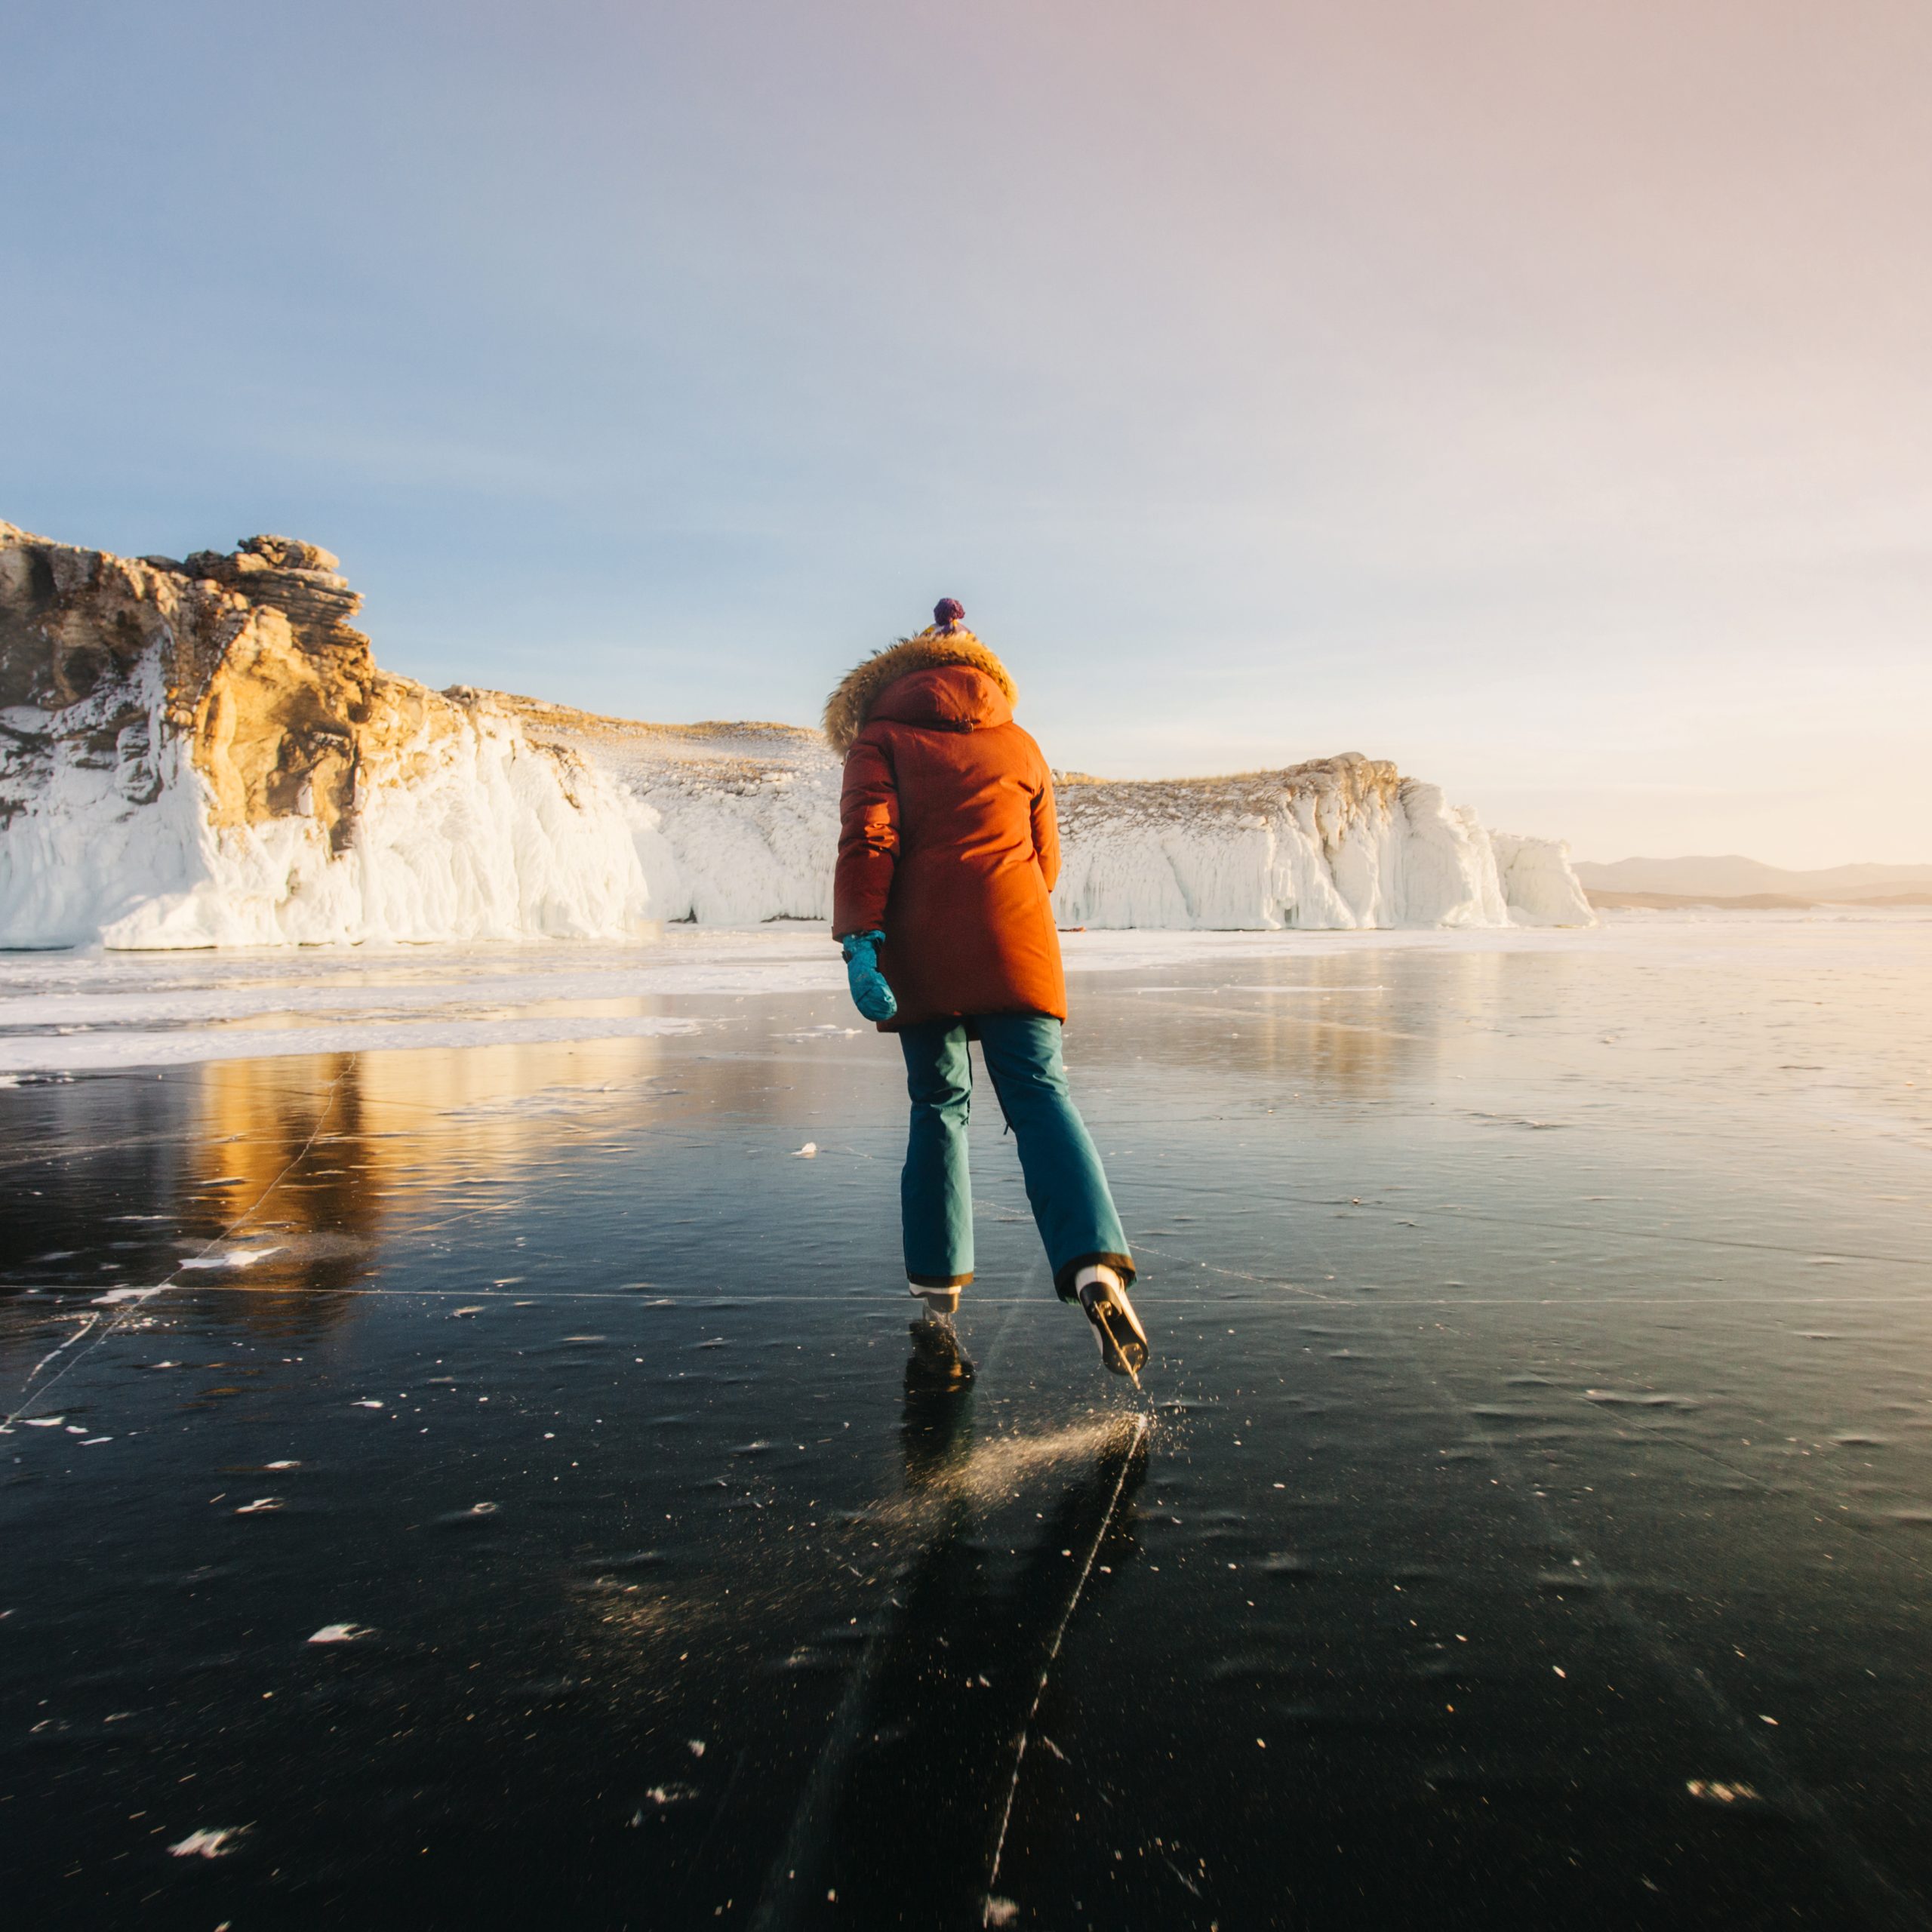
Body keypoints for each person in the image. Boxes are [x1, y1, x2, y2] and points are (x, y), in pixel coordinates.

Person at [826, 598, 1149, 1380]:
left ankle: (937, 1289)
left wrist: (859, 940)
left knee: (939, 1105)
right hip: (1017, 942)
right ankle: (1094, 1267)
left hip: (921, 947)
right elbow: (1046, 864)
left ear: (901, 671)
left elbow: (870, 838)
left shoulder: (880, 735)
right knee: (1040, 1095)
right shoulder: (1021, 741)